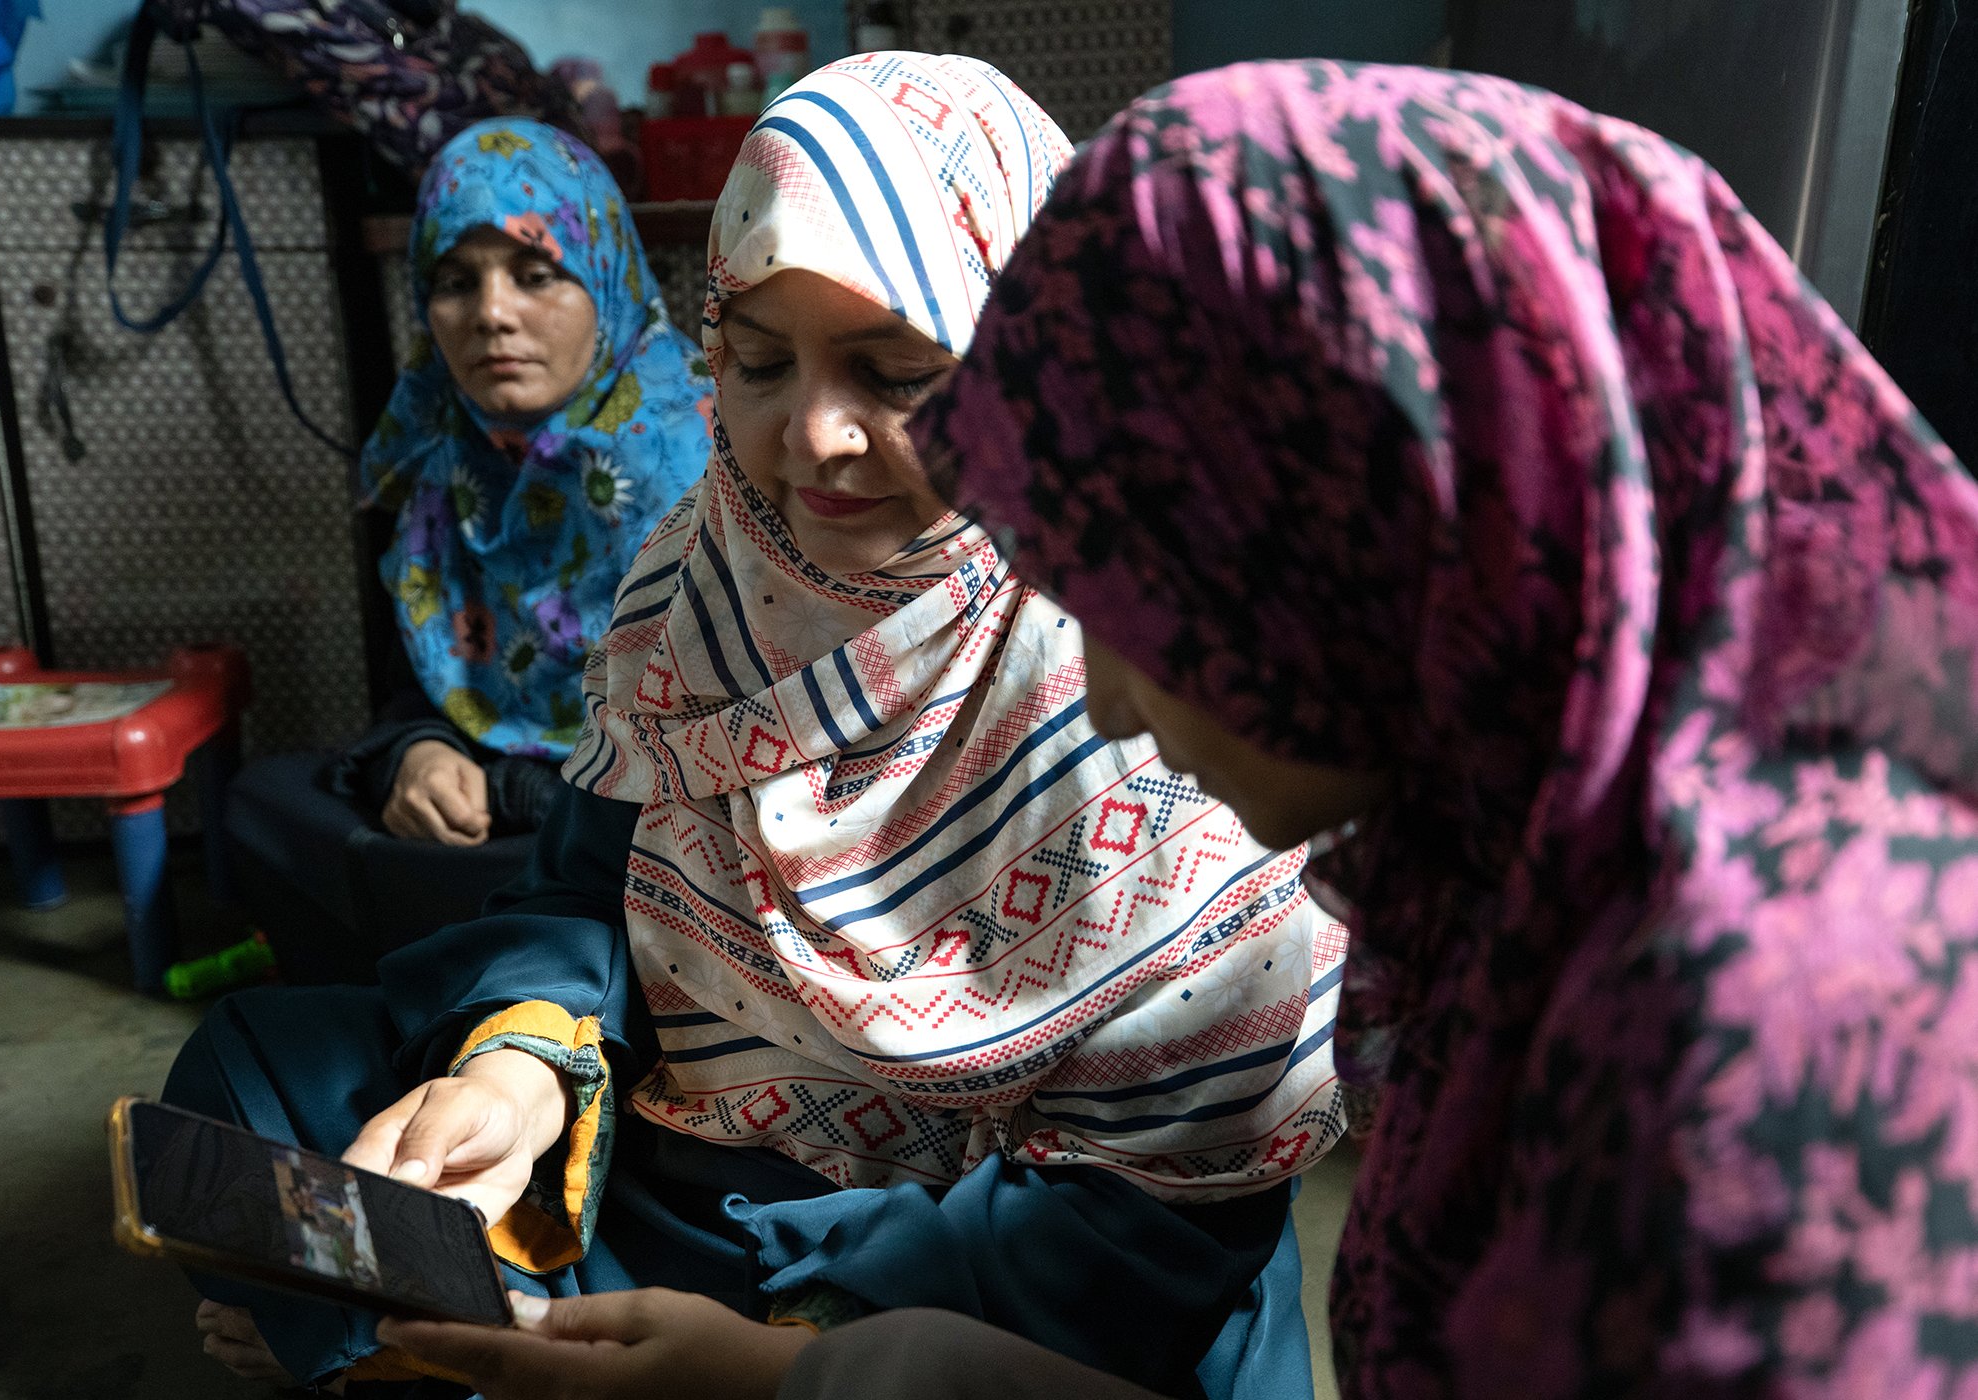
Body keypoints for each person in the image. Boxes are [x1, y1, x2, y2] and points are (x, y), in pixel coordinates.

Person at [748, 58, 1978, 1399]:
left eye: (1151, 601)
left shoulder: (1771, 1034)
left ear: (1374, 523)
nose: (1107, 696)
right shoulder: (1508, 865)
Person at [170, 53, 1348, 1400]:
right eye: (757, 359)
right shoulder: (700, 571)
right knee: (250, 1082)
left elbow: (1148, 1233)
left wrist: (771, 1369)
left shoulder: (1156, 671)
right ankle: (467, 1334)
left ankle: (438, 1346)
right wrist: (522, 1070)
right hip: (685, 1157)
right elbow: (581, 885)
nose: (811, 441)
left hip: (982, 1264)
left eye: (898, 371)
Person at [225, 117, 713, 976]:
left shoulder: (706, 452)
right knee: (262, 804)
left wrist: (527, 792)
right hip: (495, 834)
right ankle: (518, 964)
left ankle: (505, 965)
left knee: (629, 878)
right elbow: (419, 685)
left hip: (658, 840)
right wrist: (422, 755)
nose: (491, 315)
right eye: (455, 282)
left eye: (536, 274)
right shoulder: (448, 460)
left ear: (606, 274)